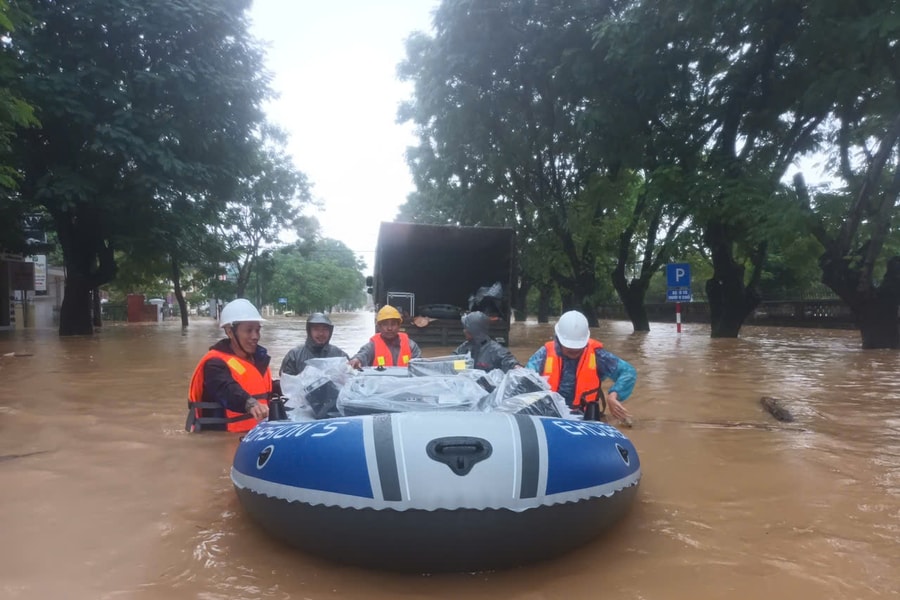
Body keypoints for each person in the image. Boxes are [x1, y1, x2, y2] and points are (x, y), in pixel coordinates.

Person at [525, 310, 636, 421]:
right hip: (549, 415)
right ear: (558, 339)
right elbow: (526, 379)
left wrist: (613, 395)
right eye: (569, 346)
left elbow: (628, 372)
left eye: (578, 347)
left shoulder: (598, 356)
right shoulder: (543, 354)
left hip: (585, 417)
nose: (574, 349)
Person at [186, 298, 272, 432]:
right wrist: (250, 403)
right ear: (230, 332)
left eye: (257, 330)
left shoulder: (259, 360)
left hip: (257, 435)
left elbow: (265, 391)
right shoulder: (214, 364)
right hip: (222, 441)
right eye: (249, 330)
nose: (255, 336)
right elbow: (226, 389)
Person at [349, 305, 422, 369]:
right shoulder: (372, 346)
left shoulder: (411, 345)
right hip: (380, 384)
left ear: (399, 326)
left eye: (393, 324)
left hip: (406, 384)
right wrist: (356, 360)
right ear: (379, 327)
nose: (389, 328)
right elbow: (362, 355)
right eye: (385, 324)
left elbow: (420, 366)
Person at [279, 312, 349, 376]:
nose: (321, 333)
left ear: (330, 331)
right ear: (309, 331)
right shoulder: (294, 356)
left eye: (325, 329)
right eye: (316, 329)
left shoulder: (340, 355)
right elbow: (286, 383)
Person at [453, 311, 521, 372]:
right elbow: (453, 366)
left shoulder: (496, 350)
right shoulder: (463, 349)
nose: (464, 331)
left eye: (466, 328)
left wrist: (517, 368)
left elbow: (510, 363)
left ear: (474, 331)